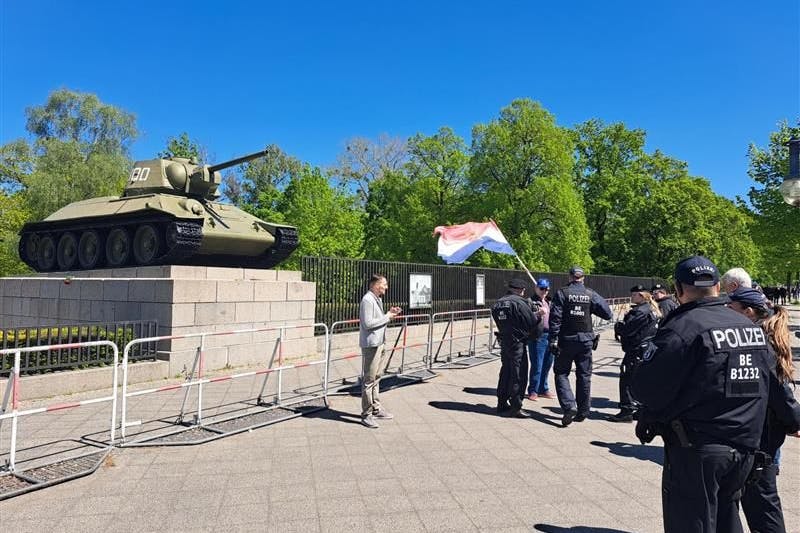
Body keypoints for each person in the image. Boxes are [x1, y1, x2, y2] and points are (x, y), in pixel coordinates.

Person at [631, 256, 773, 533]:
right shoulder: (749, 327)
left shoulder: (683, 327)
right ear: (718, 286)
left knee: (690, 522)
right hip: (745, 445)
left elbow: (645, 387)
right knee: (726, 518)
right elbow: (772, 383)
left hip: (698, 448)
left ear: (679, 288)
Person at [726, 288, 800, 533]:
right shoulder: (765, 334)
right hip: (763, 431)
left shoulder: (756, 339)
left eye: (732, 307)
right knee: (759, 500)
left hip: (758, 433)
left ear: (748, 311)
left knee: (762, 503)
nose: (726, 311)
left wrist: (794, 420)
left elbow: (779, 389)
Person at [549, 266, 613, 426]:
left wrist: (552, 339)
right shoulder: (590, 294)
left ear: (570, 277)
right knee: (584, 375)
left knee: (561, 373)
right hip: (585, 341)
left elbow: (555, 318)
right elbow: (607, 313)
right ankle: (583, 411)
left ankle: (569, 405)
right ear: (583, 278)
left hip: (566, 340)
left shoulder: (562, 293)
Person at [491, 278, 541, 417]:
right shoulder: (520, 302)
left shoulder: (498, 303)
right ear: (521, 290)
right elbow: (530, 321)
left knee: (505, 372)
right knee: (519, 374)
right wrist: (539, 315)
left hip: (504, 340)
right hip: (518, 342)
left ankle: (501, 402)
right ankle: (516, 406)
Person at [609, 285, 660, 422]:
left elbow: (627, 330)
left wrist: (619, 326)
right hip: (647, 349)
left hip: (636, 350)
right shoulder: (652, 309)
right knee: (640, 380)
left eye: (634, 295)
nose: (632, 297)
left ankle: (627, 410)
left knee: (627, 379)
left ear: (641, 295)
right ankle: (639, 408)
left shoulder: (639, 312)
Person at [359, 274, 402, 429]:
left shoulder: (377, 299)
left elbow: (378, 319)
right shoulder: (367, 300)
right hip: (372, 345)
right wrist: (388, 316)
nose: (386, 287)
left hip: (380, 343)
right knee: (369, 379)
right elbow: (368, 323)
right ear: (376, 284)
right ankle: (366, 414)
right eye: (384, 284)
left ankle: (376, 408)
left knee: (377, 377)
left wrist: (389, 313)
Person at [526, 278, 556, 401]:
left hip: (550, 336)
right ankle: (533, 390)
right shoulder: (530, 301)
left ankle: (543, 389)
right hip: (537, 336)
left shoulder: (549, 301)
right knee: (537, 365)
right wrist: (538, 314)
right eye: (542, 288)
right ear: (536, 288)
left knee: (548, 364)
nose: (544, 291)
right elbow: (526, 319)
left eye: (546, 289)